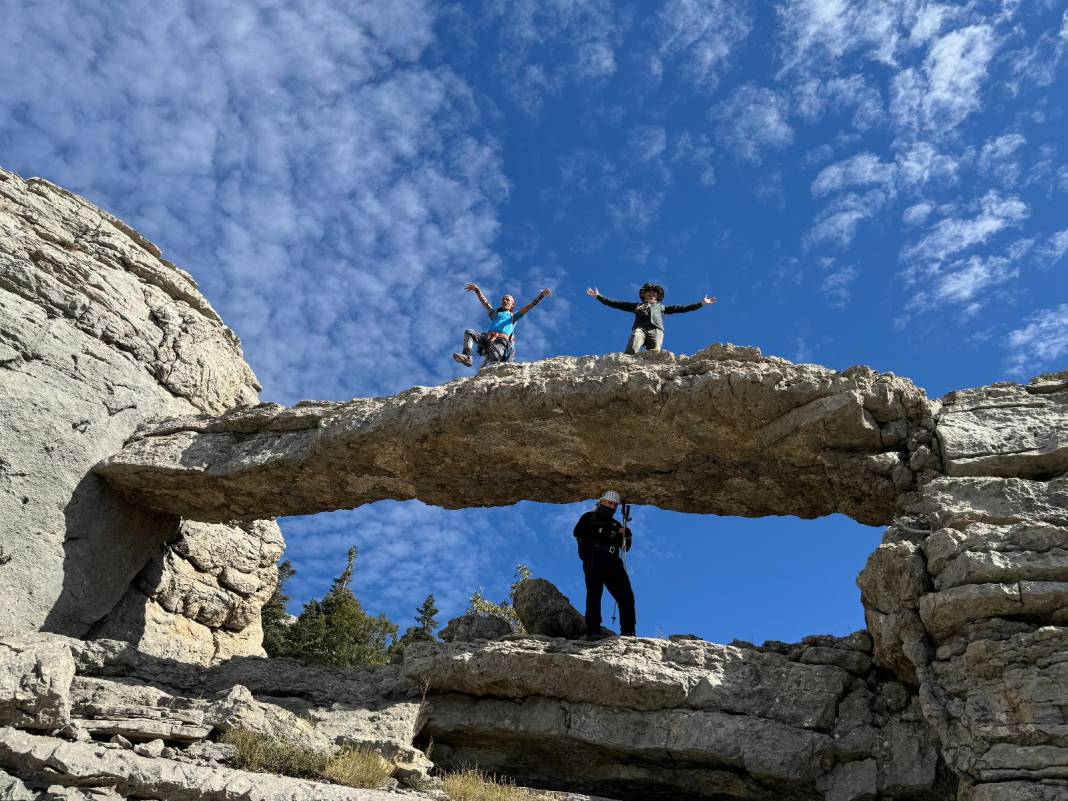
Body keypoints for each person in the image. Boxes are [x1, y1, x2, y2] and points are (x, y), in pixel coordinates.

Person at [586, 283, 716, 354]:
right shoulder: (637, 306)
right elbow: (616, 303)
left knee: (654, 353)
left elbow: (682, 308)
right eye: (648, 293)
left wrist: (701, 303)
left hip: (657, 330)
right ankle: (627, 362)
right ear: (644, 296)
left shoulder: (662, 307)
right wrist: (598, 296)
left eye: (653, 294)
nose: (651, 295)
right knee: (635, 339)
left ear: (657, 297)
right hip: (640, 328)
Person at [573, 490, 635, 640]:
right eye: (609, 503)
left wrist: (627, 534)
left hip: (613, 560)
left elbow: (625, 547)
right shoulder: (589, 517)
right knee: (594, 593)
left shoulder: (617, 524)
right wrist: (605, 531)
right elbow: (577, 532)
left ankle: (628, 634)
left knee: (626, 596)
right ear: (602, 502)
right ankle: (593, 631)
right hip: (595, 556)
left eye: (615, 504)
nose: (612, 507)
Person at [453, 283, 552, 369]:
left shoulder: (513, 316)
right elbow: (485, 303)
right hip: (487, 339)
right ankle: (468, 357)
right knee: (469, 332)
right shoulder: (495, 313)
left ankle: (493, 366)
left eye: (507, 300)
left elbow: (528, 307)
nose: (504, 301)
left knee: (495, 357)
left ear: (512, 304)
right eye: (503, 299)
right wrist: (477, 290)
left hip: (501, 341)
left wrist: (541, 295)